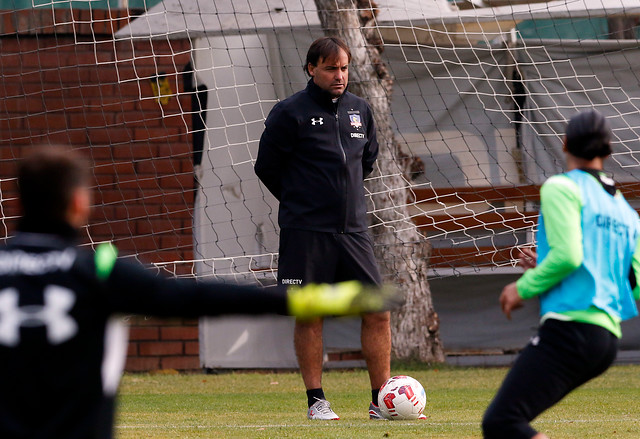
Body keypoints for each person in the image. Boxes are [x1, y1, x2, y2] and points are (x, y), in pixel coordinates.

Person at [0, 146, 401, 439]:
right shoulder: (98, 272)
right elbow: (195, 297)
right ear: (78, 203)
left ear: (18, 201)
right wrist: (304, 298)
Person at [254, 36, 394, 421]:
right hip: (305, 232)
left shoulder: (360, 110)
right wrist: (302, 201)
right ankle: (317, 401)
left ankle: (380, 401)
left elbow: (366, 162)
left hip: (354, 231)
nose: (340, 75)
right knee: (310, 315)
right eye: (331, 68)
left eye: (344, 68)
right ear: (311, 69)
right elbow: (266, 167)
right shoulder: (289, 113)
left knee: (377, 310)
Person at [482, 109, 640, 439]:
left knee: (502, 422)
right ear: (608, 151)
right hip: (606, 338)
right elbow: (633, 284)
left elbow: (568, 256)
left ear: (565, 143)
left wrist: (522, 286)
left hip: (571, 329)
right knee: (510, 420)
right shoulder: (625, 210)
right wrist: (547, 266)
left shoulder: (562, 187)